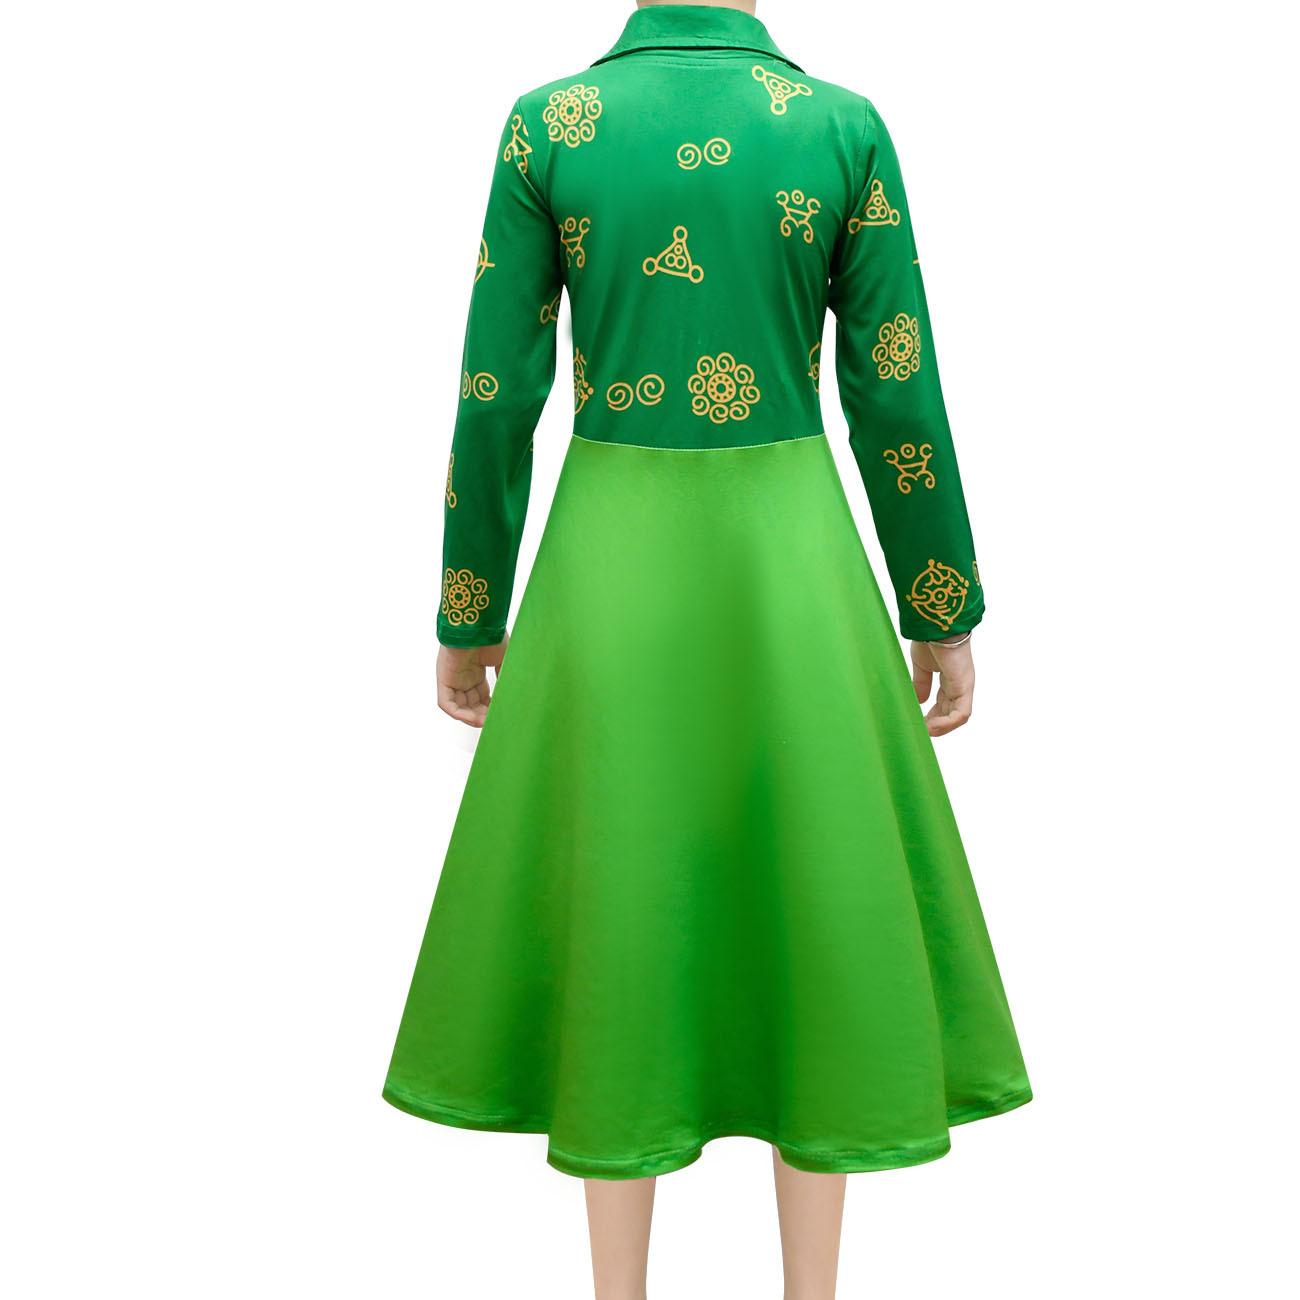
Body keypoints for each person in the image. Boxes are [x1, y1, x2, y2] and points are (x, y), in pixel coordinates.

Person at [383, 3, 1033, 1296]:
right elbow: (896, 385)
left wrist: (469, 607)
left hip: (608, 567)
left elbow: (495, 389)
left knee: (625, 896)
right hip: (791, 567)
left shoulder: (551, 128)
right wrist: (938, 599)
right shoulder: (841, 128)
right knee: (812, 895)